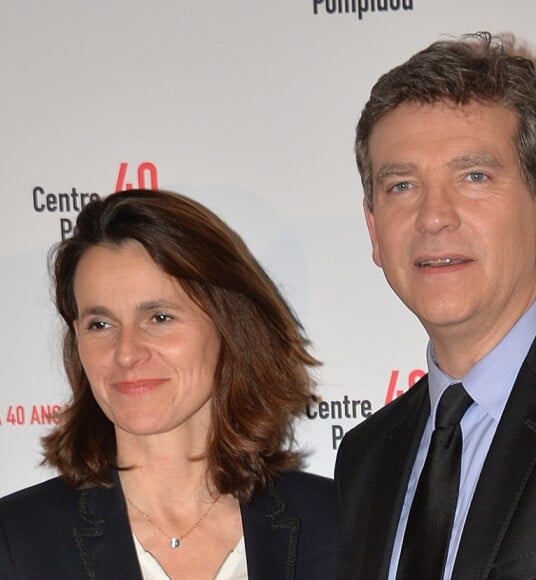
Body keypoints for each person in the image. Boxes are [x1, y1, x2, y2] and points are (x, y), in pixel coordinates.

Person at [335, 32, 536, 579]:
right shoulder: (365, 458)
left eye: (473, 177)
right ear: (374, 231)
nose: (434, 217)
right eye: (401, 185)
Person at [0, 189, 336, 580]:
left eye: (159, 318)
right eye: (100, 324)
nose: (126, 353)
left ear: (229, 324)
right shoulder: (17, 542)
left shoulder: (337, 524)